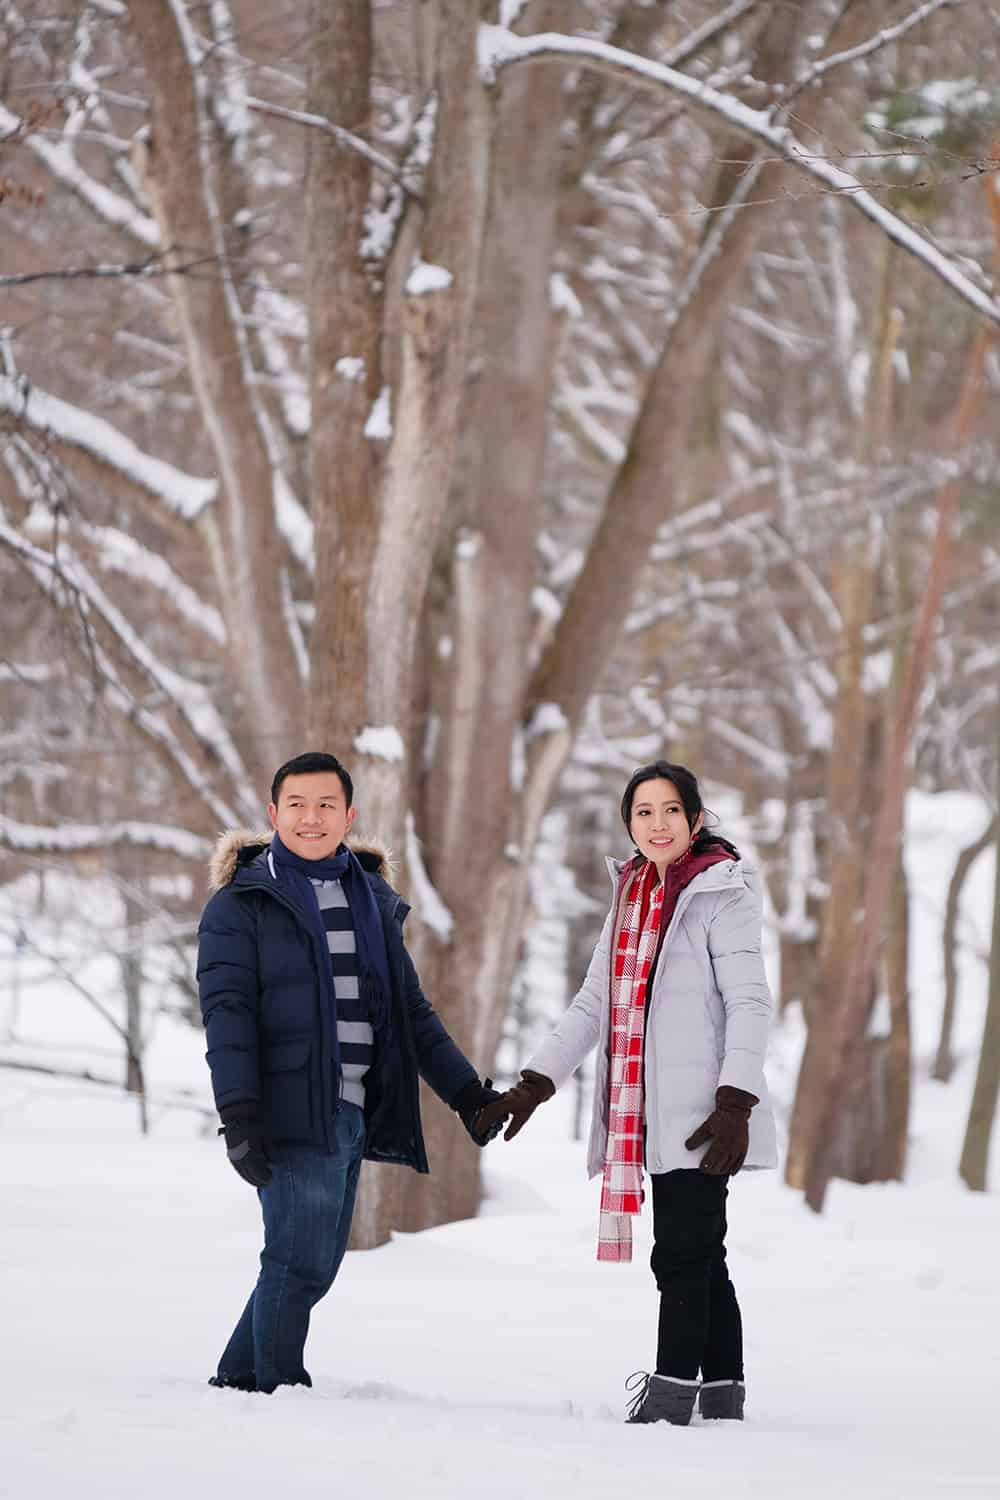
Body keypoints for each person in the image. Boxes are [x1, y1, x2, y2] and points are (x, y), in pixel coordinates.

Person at [478, 760, 776, 1426]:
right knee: (703, 1253)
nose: (658, 824)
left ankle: (669, 1398)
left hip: (705, 1112)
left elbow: (750, 1002)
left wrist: (735, 1102)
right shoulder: (632, 897)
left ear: (694, 820)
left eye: (671, 811)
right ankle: (722, 1392)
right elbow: (594, 1004)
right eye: (644, 812)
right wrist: (536, 1082)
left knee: (682, 1253)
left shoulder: (722, 892)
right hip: (649, 1110)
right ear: (630, 824)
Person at [197, 750, 503, 1393]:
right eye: (297, 805)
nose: (311, 818)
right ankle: (277, 1385)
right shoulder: (242, 904)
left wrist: (467, 1094)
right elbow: (227, 1017)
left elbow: (410, 1012)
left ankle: (241, 1375)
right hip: (288, 1108)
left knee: (313, 1260)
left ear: (349, 815)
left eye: (325, 805)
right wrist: (239, 1114)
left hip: (352, 1108)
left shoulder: (370, 900)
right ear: (273, 812)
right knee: (297, 1259)